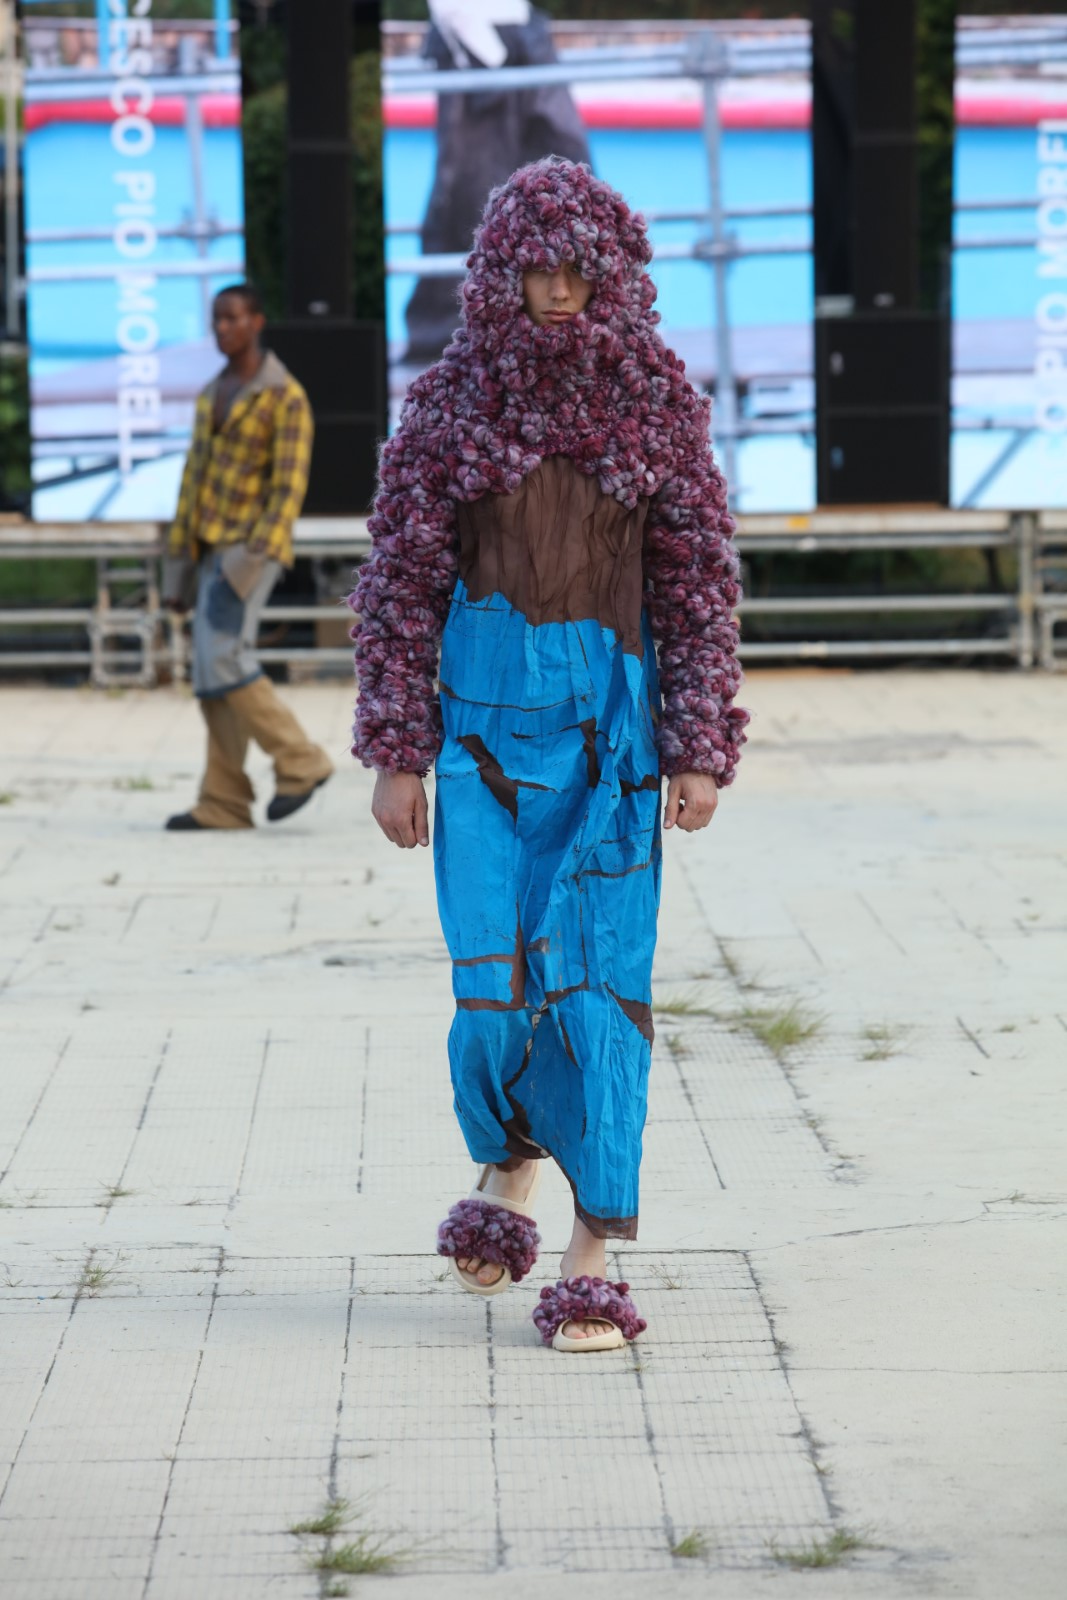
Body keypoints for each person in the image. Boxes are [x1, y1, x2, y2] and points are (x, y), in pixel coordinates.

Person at [350, 160, 748, 1351]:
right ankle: (507, 1158)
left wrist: (697, 744)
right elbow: (400, 583)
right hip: (474, 742)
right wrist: (396, 750)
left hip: (609, 743)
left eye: (580, 267)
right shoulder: (448, 406)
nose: (560, 288)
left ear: (611, 271)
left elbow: (695, 583)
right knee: (489, 992)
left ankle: (592, 1246)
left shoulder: (655, 404)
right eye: (539, 267)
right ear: (501, 274)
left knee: (595, 985)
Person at [162, 283, 333, 831]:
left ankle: (301, 760)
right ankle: (224, 800)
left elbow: (287, 490)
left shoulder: (283, 395)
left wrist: (254, 557)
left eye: (233, 318)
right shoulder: (212, 393)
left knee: (224, 658)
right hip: (208, 549)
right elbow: (191, 483)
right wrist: (177, 570)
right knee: (211, 667)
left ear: (257, 322)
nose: (223, 328)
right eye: (217, 319)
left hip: (249, 550)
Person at [403, 0, 589, 364]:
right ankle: (449, 336)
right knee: (472, 197)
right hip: (472, 35)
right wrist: (485, 50)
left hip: (522, 31)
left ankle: (582, 323)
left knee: (569, 178)